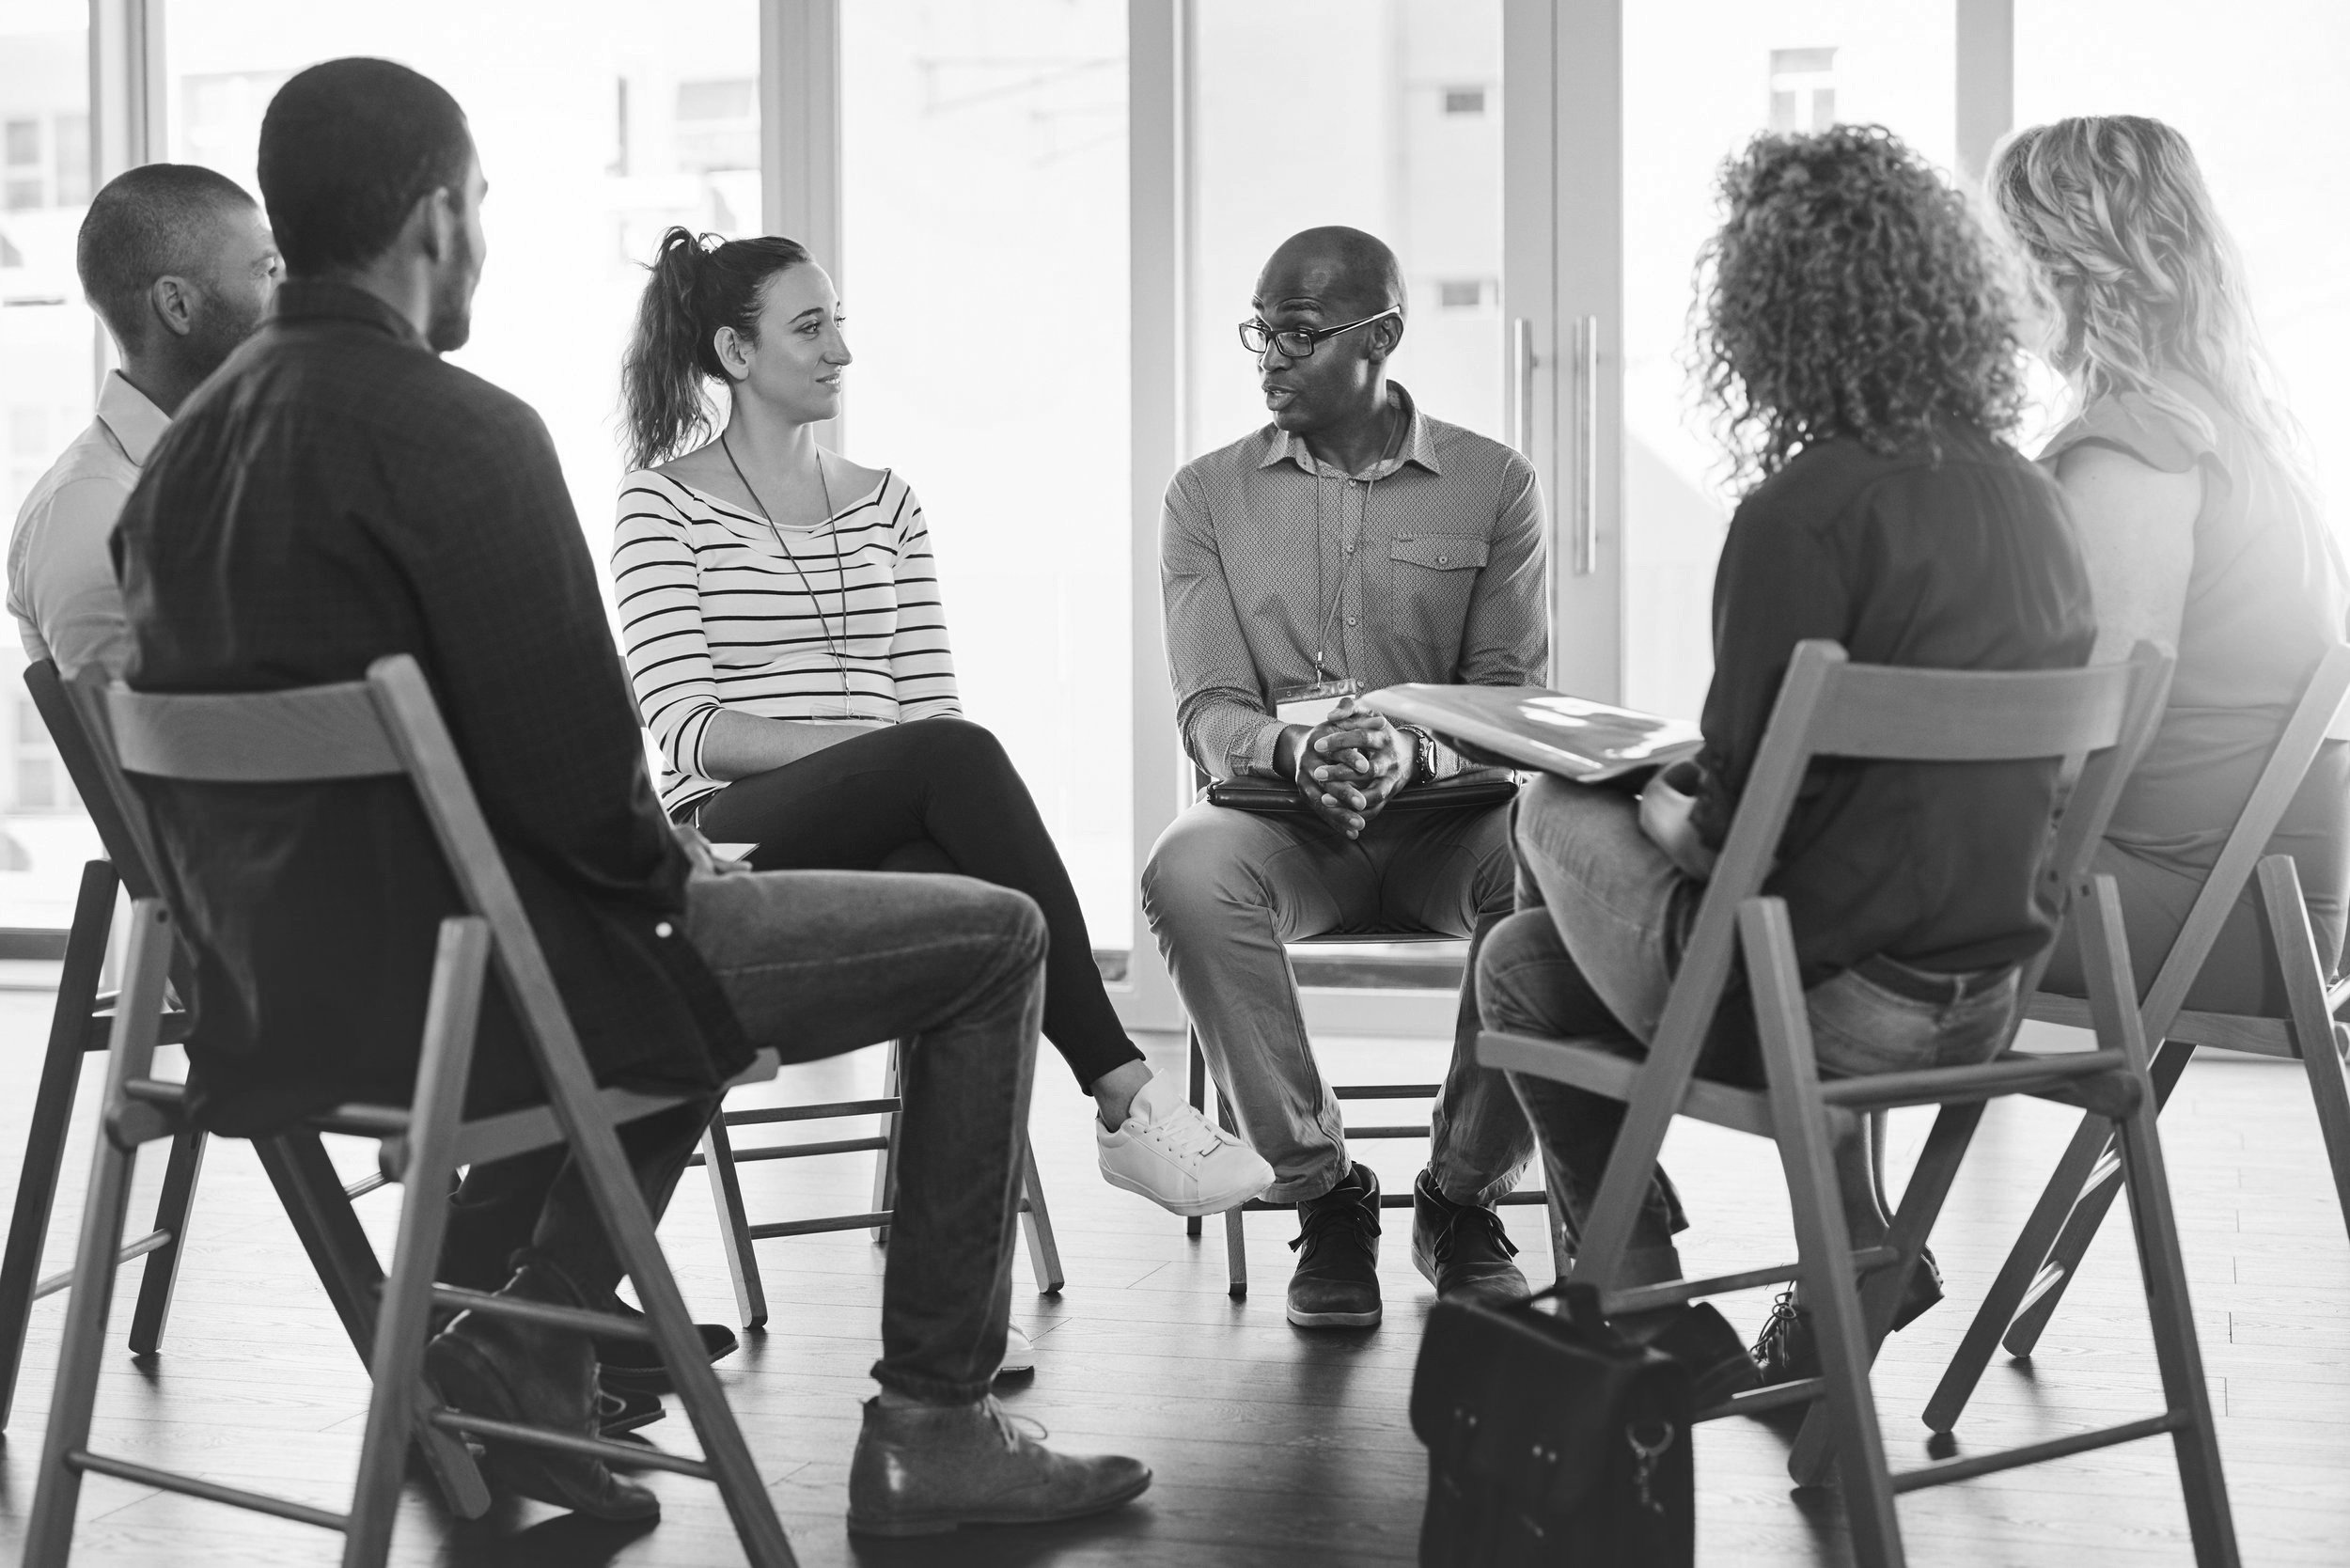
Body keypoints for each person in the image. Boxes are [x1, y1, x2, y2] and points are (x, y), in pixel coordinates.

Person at [110, 57, 1148, 1537]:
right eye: (479, 204)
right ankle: (935, 1421)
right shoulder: (460, 435)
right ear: (435, 217)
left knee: (666, 934)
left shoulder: (179, 465)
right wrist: (691, 870)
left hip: (274, 1008)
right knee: (988, 937)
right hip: (484, 995)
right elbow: (590, 803)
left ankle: (532, 1338)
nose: (481, 235)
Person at [1475, 126, 2095, 1394]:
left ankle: (1644, 1315)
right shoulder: (2036, 503)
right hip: (1991, 993)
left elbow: (1732, 823)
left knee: (1545, 806)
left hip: (1834, 1016)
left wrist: (1654, 809)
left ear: (1768, 319)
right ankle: (1842, 1255)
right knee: (1519, 968)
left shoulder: (1798, 516)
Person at [612, 227, 1271, 1227]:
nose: (839, 349)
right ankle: (1123, 1094)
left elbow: (929, 712)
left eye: (839, 323)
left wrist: (896, 759)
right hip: (735, 832)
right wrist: (880, 754)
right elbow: (690, 733)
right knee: (951, 763)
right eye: (809, 327)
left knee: (969, 893)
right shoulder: (659, 505)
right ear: (734, 354)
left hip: (892, 812)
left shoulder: (888, 504)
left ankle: (962, 1295)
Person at [1143, 225, 1546, 1330]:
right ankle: (1324, 1195)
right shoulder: (1204, 497)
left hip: (1447, 822)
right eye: (1259, 331)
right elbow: (1208, 706)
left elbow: (1509, 700)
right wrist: (1295, 751)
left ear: (1382, 337)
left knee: (1559, 871)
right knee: (1185, 874)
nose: (1269, 355)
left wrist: (1410, 747)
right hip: (1283, 822)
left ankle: (1461, 1197)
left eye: (1299, 334)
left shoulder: (1492, 485)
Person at [1991, 115, 2348, 1016]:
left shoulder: (2132, 447)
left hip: (2189, 917)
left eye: (2000, 244)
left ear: (2057, 261)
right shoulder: (2235, 430)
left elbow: (2088, 744)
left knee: (1814, 883)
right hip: (2257, 908)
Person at [8, 164, 278, 678]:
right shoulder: (89, 509)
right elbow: (154, 744)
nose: (289, 292)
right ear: (177, 304)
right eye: (266, 271)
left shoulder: (241, 465)